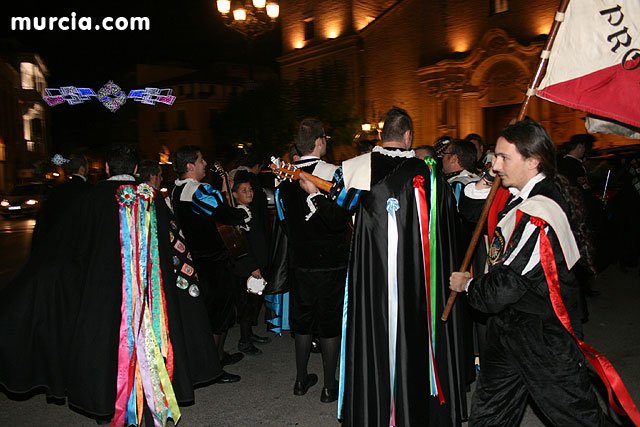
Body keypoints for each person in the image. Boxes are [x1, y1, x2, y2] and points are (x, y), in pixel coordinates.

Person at [299, 107, 474, 426]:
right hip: (416, 282)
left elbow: (337, 216)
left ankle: (375, 408)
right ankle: (417, 408)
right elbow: (448, 226)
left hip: (373, 280)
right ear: (408, 136)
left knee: (376, 338)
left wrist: (314, 194)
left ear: (381, 135)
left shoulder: (356, 167)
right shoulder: (429, 172)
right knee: (414, 339)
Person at [27, 144, 223, 426]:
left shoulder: (89, 199)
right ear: (135, 169)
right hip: (148, 296)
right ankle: (148, 405)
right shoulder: (151, 198)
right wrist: (187, 285)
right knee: (147, 346)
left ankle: (106, 401)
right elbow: (175, 245)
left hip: (102, 295)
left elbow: (70, 248)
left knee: (107, 348)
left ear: (107, 168)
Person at [449, 119, 620, 426]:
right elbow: (471, 210)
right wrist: (489, 176)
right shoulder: (521, 192)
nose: (495, 164)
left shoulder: (540, 212)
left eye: (504, 158)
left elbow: (505, 287)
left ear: (532, 161)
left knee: (578, 418)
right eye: (494, 156)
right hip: (508, 327)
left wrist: (469, 285)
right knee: (490, 415)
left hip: (541, 335)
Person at [275, 118, 350, 403]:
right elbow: (341, 218)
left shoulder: (283, 178)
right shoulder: (335, 173)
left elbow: (283, 220)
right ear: (319, 141)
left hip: (301, 261)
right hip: (331, 262)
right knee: (329, 322)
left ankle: (300, 379)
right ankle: (329, 386)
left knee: (303, 320)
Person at [171, 145, 250, 369]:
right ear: (190, 166)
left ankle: (218, 356)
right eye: (201, 160)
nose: (205, 163)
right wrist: (242, 211)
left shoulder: (177, 190)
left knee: (211, 310)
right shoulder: (198, 190)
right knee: (219, 312)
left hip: (195, 259)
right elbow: (223, 214)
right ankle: (214, 364)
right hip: (213, 261)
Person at [230, 170, 271, 356]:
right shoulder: (239, 214)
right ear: (235, 194)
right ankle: (244, 341)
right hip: (247, 269)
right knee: (246, 305)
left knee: (254, 303)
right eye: (244, 190)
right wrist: (253, 266)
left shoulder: (249, 211)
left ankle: (250, 335)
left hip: (257, 265)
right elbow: (241, 245)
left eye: (250, 189)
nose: (249, 193)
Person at [31, 152, 91, 249]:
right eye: (88, 166)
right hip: (81, 246)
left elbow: (43, 221)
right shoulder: (90, 191)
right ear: (82, 169)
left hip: (57, 245)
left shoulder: (56, 191)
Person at [442, 139, 480, 203]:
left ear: (454, 159)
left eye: (444, 154)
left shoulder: (456, 186)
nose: (442, 158)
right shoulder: (479, 181)